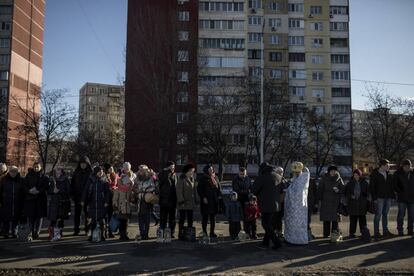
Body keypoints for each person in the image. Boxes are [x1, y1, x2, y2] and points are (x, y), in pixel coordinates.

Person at [251, 162, 282, 250]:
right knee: (270, 225)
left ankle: (277, 242)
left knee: (266, 225)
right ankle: (265, 242)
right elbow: (282, 189)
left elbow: (254, 190)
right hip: (276, 205)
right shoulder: (278, 176)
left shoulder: (262, 177)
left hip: (266, 205)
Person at [283, 162, 310, 245]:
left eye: (296, 172)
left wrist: (287, 191)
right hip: (294, 207)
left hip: (298, 207)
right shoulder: (297, 179)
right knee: (292, 223)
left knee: (297, 224)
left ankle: (297, 240)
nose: (294, 174)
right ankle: (290, 238)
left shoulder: (302, 180)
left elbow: (297, 193)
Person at [82, 166, 110, 242]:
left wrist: (107, 201)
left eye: (102, 171)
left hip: (102, 203)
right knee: (93, 221)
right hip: (92, 202)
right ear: (95, 172)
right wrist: (83, 200)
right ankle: (93, 236)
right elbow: (86, 190)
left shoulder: (105, 180)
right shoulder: (91, 180)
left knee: (102, 221)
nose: (101, 173)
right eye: (99, 171)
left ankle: (103, 235)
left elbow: (107, 192)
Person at [370, 159, 395, 240]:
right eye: (387, 165)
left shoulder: (389, 174)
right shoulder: (375, 174)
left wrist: (393, 196)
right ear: (382, 165)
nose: (388, 167)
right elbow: (372, 187)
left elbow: (391, 187)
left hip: (388, 197)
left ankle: (385, 231)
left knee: (385, 214)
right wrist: (374, 198)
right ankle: (376, 232)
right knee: (378, 215)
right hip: (379, 198)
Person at [23, 162, 49, 239]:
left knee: (39, 217)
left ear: (40, 167)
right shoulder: (28, 175)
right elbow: (24, 185)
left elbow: (45, 186)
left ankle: (37, 232)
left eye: (37, 167)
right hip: (30, 199)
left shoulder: (44, 177)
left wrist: (39, 191)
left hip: (40, 199)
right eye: (35, 167)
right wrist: (29, 191)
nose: (36, 168)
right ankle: (31, 231)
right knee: (31, 217)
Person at [319, 165, 345, 238]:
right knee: (326, 219)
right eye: (332, 171)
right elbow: (320, 189)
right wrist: (319, 200)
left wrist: (338, 190)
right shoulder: (324, 178)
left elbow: (343, 189)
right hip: (326, 201)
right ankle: (326, 234)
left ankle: (334, 234)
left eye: (334, 171)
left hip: (335, 202)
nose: (333, 172)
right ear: (329, 171)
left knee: (335, 219)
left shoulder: (339, 179)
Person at [197, 164, 223, 238]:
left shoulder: (216, 177)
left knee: (213, 218)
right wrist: (203, 197)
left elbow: (219, 188)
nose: (211, 171)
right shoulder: (202, 178)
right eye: (209, 170)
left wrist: (219, 196)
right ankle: (204, 232)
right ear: (206, 171)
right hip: (206, 201)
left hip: (214, 201)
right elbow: (199, 189)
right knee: (205, 217)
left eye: (212, 169)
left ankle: (212, 232)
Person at [134, 165, 157, 240]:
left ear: (146, 170)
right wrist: (135, 190)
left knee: (147, 219)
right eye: (140, 170)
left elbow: (153, 187)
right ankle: (142, 233)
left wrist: (144, 190)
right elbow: (134, 187)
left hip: (147, 200)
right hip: (139, 201)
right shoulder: (137, 178)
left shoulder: (150, 178)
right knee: (140, 219)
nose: (141, 171)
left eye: (142, 170)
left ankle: (146, 234)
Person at [0, 166, 24, 238]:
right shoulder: (4, 180)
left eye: (15, 171)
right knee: (6, 218)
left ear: (17, 172)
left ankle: (14, 232)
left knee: (15, 218)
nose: (13, 173)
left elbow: (23, 192)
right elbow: (0, 191)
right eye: (11, 171)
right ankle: (6, 232)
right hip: (6, 202)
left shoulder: (20, 180)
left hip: (17, 202)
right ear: (9, 172)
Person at [113, 162, 136, 241]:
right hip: (121, 205)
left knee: (126, 221)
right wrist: (115, 205)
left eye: (128, 168)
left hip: (127, 206)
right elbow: (116, 196)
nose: (127, 170)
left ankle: (124, 235)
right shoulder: (120, 179)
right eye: (125, 168)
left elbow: (132, 194)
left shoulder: (132, 178)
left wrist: (132, 198)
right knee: (121, 221)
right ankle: (122, 235)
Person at [70, 156, 92, 236]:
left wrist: (90, 195)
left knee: (87, 214)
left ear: (87, 164)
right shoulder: (76, 172)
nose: (83, 165)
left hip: (87, 197)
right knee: (77, 214)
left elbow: (91, 185)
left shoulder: (90, 173)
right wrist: (72, 194)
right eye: (81, 164)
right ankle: (76, 230)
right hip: (77, 196)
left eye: (84, 164)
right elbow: (72, 184)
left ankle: (87, 229)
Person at [48, 168, 71, 241]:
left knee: (61, 219)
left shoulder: (65, 179)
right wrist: (52, 191)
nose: (57, 174)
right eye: (56, 173)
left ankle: (59, 232)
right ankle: (52, 234)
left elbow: (68, 190)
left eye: (59, 173)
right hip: (54, 202)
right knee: (53, 219)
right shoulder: (52, 180)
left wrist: (60, 191)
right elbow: (48, 190)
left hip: (62, 202)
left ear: (61, 173)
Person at [176, 163, 197, 240]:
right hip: (183, 203)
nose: (193, 172)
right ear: (187, 171)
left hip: (190, 203)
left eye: (193, 171)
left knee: (190, 219)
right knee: (182, 219)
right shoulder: (181, 179)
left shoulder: (192, 179)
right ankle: (180, 234)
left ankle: (189, 234)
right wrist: (181, 201)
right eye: (192, 171)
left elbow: (194, 190)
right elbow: (179, 190)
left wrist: (197, 200)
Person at [346, 169, 369, 238]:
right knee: (353, 220)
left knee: (362, 219)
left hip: (362, 204)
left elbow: (368, 192)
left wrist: (365, 196)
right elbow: (347, 192)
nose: (356, 176)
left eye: (357, 175)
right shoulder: (350, 183)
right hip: (353, 204)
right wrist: (350, 196)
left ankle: (364, 232)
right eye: (354, 175)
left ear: (360, 175)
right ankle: (352, 233)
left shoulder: (365, 183)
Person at [393, 159, 414, 236]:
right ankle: (400, 230)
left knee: (411, 215)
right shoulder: (398, 173)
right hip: (402, 198)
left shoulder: (412, 173)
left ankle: (410, 230)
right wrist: (400, 191)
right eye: (406, 166)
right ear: (403, 166)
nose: (408, 167)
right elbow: (394, 185)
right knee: (401, 215)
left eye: (409, 166)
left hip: (412, 198)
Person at [158, 161, 178, 238]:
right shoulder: (163, 174)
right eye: (172, 167)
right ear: (168, 167)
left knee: (172, 218)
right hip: (164, 200)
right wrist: (166, 171)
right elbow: (162, 181)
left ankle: (171, 233)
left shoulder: (174, 175)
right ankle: (162, 232)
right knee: (163, 218)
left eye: (174, 167)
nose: (173, 168)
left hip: (173, 200)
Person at [232, 167, 251, 231]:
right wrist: (246, 191)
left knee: (247, 216)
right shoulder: (235, 179)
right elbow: (236, 190)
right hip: (238, 200)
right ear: (238, 173)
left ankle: (247, 230)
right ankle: (238, 230)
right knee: (238, 216)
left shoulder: (248, 179)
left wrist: (248, 191)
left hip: (247, 200)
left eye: (244, 174)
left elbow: (251, 188)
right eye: (241, 174)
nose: (243, 175)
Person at [105, 164, 119, 238]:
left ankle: (110, 232)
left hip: (113, 197)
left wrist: (115, 188)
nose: (111, 169)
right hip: (106, 197)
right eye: (109, 168)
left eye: (112, 168)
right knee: (105, 216)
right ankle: (105, 231)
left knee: (111, 215)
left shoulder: (116, 176)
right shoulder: (105, 176)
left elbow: (118, 185)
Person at [274, 167, 287, 237]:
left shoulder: (284, 180)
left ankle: (279, 231)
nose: (280, 173)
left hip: (282, 202)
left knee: (280, 218)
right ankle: (276, 231)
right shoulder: (274, 180)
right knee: (275, 217)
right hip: (275, 202)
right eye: (278, 172)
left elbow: (285, 190)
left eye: (281, 172)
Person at [0, 163, 8, 234]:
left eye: (2, 168)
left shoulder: (7, 177)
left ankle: (4, 230)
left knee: (4, 216)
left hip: (5, 198)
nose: (1, 170)